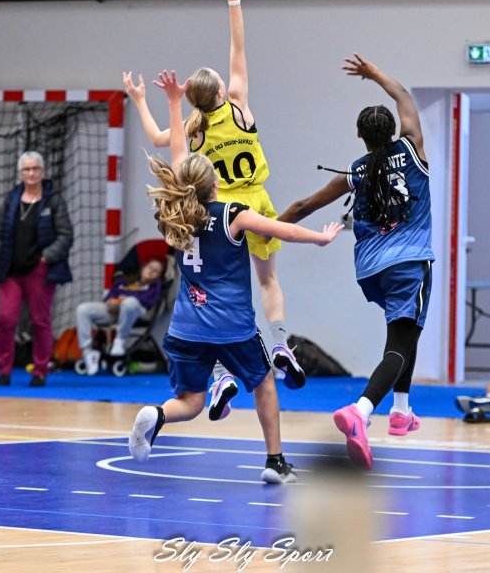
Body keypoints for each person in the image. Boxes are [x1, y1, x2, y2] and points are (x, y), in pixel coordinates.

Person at [127, 70, 342, 484]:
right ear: (216, 183)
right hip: (231, 324)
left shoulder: (177, 216)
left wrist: (172, 102)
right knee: (264, 383)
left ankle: (156, 415)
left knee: (189, 401)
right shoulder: (233, 215)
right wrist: (320, 237)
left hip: (186, 327)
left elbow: (177, 151)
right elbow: (283, 230)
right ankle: (275, 462)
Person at [123, 0, 307, 404]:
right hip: (256, 202)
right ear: (221, 90)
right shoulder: (239, 108)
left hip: (219, 210)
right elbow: (238, 48)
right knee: (268, 282)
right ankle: (280, 342)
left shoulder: (193, 128)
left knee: (220, 291)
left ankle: (222, 372)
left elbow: (158, 138)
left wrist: (140, 100)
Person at [279, 55, 434, 471]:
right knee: (402, 340)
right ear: (393, 130)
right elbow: (402, 95)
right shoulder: (412, 148)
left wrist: (262, 228)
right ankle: (361, 411)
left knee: (403, 331)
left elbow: (303, 207)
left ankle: (401, 411)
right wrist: (375, 74)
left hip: (370, 269)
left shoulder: (356, 171)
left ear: (359, 135)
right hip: (409, 261)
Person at [0, 151, 73, 388]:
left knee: (40, 321)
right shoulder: (11, 199)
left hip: (40, 271)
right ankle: (3, 370)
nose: (31, 173)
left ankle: (40, 371)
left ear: (42, 172)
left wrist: (47, 257)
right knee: (6, 319)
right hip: (11, 270)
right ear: (20, 173)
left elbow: (66, 235)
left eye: (35, 168)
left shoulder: (53, 200)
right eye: (26, 169)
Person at [76, 257, 166, 375]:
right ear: (143, 267)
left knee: (130, 303)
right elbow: (109, 297)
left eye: (156, 271)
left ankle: (120, 340)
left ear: (159, 276)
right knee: (83, 309)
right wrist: (111, 302)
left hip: (136, 311)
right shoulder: (124, 281)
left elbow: (149, 301)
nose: (151, 271)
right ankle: (88, 352)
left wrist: (126, 299)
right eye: (150, 267)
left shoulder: (155, 286)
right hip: (115, 310)